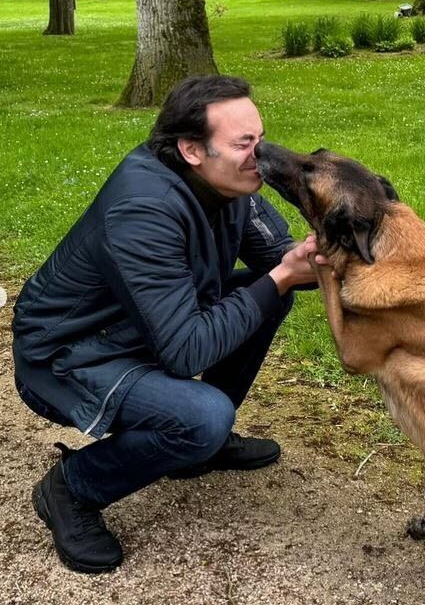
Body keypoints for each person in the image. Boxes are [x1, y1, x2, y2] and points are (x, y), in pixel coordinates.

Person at [13, 75, 321, 574]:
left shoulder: (231, 182)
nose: (260, 155)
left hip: (145, 329)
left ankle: (199, 450)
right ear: (192, 149)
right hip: (70, 354)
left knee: (267, 296)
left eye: (259, 139)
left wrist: (319, 255)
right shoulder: (143, 210)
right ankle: (72, 488)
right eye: (244, 143)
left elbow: (278, 259)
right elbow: (187, 352)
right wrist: (284, 276)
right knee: (202, 415)